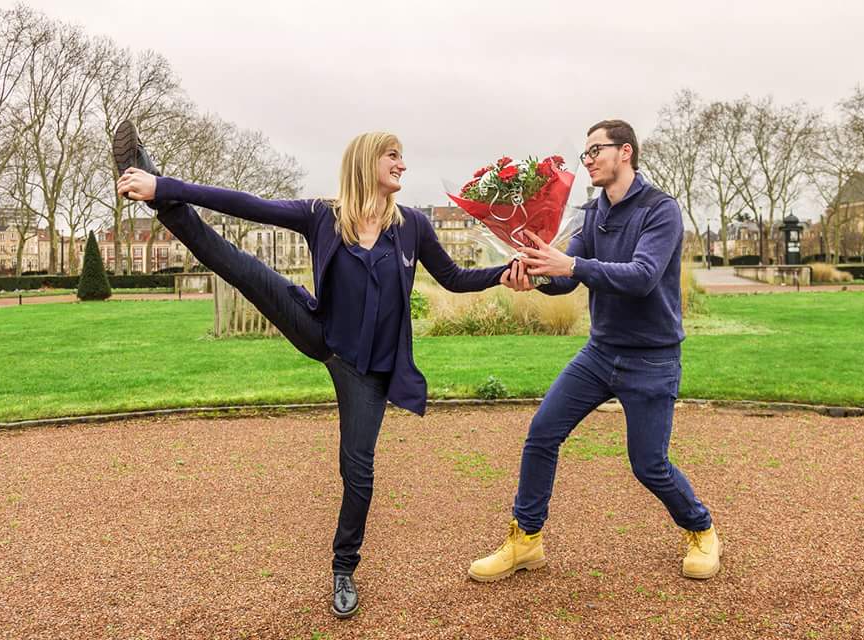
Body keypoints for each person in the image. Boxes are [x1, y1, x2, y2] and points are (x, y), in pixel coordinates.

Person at [116, 123, 519, 618]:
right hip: (320, 332)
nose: (402, 165)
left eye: (402, 157)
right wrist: (166, 188)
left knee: (359, 473)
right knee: (236, 264)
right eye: (393, 155)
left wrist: (507, 272)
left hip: (368, 372)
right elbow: (243, 201)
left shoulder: (413, 224)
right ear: (366, 161)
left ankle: (343, 569)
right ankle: (151, 183)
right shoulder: (322, 216)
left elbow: (455, 279)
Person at [468, 119, 721, 583]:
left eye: (594, 151)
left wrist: (572, 263)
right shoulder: (591, 212)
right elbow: (567, 278)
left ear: (625, 152)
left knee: (649, 465)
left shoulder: (661, 210)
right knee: (542, 432)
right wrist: (537, 276)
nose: (587, 161)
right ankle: (526, 540)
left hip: (653, 358)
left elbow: (642, 276)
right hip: (600, 352)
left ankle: (700, 527)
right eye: (584, 154)